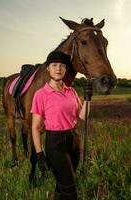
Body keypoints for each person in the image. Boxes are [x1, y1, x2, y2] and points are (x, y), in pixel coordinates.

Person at [31, 51, 92, 200]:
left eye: (62, 65)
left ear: (65, 69)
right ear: (48, 68)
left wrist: (88, 98)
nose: (58, 68)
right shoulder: (41, 94)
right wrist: (39, 155)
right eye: (54, 65)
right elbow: (36, 127)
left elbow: (82, 116)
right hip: (55, 144)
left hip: (74, 141)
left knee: (62, 185)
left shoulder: (71, 91)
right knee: (71, 191)